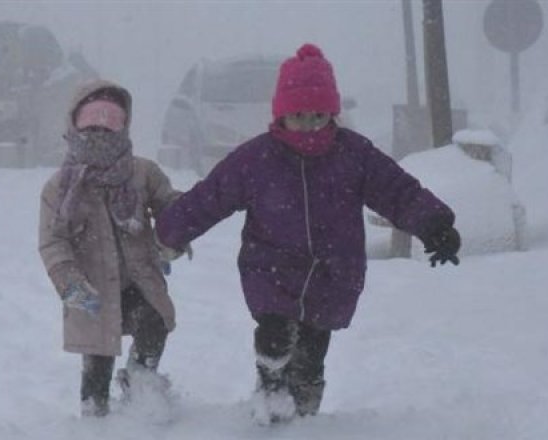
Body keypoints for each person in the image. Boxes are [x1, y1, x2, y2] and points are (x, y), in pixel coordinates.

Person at [154, 43, 461, 424]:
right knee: (274, 334)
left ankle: (304, 417)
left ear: (333, 115)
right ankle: (269, 391)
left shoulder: (354, 155)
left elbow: (397, 191)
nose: (310, 127)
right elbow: (211, 196)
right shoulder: (258, 158)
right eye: (299, 117)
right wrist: (171, 230)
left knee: (312, 355)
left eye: (319, 117)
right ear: (281, 117)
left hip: (333, 274)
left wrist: (434, 224)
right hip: (271, 268)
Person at [38, 79, 182, 417]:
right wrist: (68, 279)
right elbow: (52, 240)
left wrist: (174, 233)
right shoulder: (60, 188)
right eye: (91, 127)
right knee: (98, 357)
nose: (100, 137)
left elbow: (170, 206)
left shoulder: (142, 173)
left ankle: (141, 387)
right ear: (74, 127)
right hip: (92, 291)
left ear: (124, 128)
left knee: (154, 323)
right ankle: (94, 419)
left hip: (138, 283)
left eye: (110, 126)